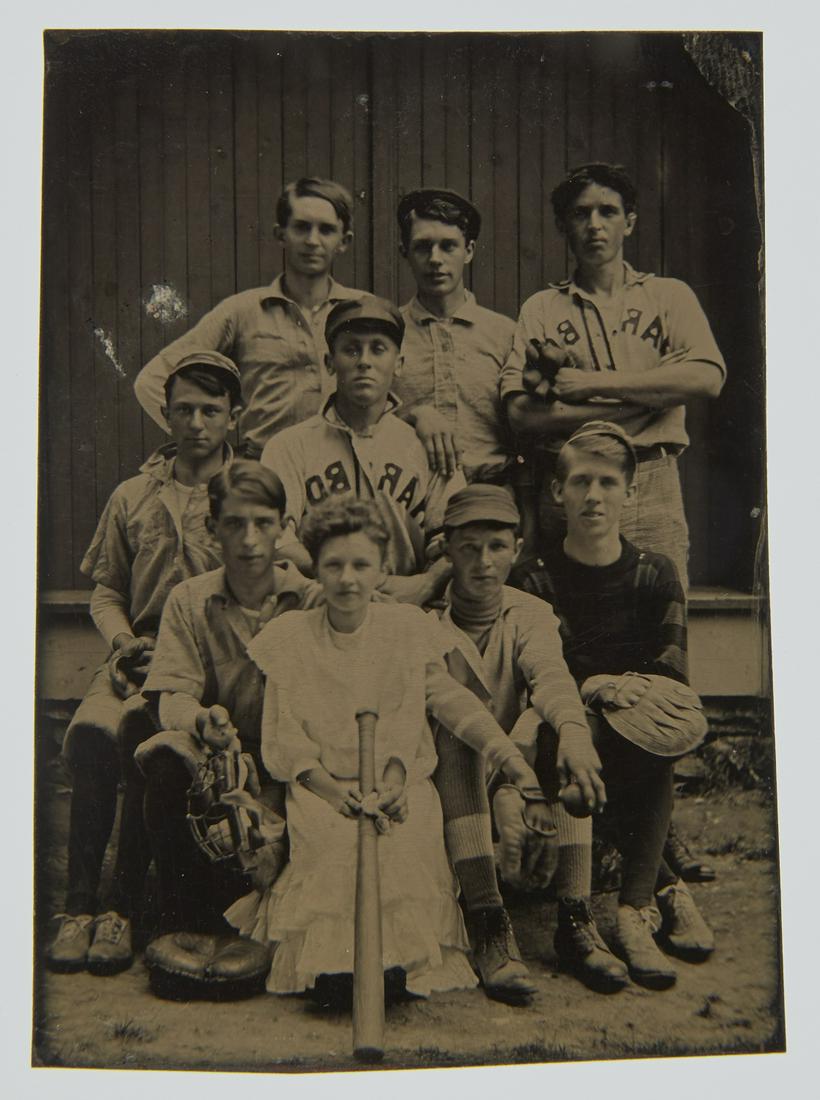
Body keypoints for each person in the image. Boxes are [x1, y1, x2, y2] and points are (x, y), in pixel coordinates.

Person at [225, 495, 555, 1001]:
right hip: (322, 789)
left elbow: (418, 718)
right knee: (337, 844)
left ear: (382, 569)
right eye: (334, 565)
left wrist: (398, 782)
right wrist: (332, 792)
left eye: (362, 565)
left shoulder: (405, 630)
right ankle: (335, 967)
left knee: (402, 844)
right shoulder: (290, 639)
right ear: (317, 567)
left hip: (401, 783)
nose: (348, 579)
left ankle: (397, 962)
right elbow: (285, 740)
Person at [46, 351, 243, 975]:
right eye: (183, 409)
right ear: (166, 413)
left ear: (233, 418)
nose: (196, 423)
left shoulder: (245, 494)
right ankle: (79, 906)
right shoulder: (134, 495)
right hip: (134, 652)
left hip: (200, 664)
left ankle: (122, 909)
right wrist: (122, 640)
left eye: (211, 410)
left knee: (142, 741)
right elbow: (106, 587)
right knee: (88, 737)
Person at [511, 422, 715, 989]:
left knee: (657, 734)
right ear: (558, 493)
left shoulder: (654, 571)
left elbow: (670, 675)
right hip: (565, 732)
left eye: (607, 482)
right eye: (580, 482)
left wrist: (617, 692)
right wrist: (598, 685)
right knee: (589, 739)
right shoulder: (534, 577)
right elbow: (538, 677)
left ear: (629, 491)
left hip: (634, 731)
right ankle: (663, 891)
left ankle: (632, 912)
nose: (593, 495)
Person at [434, 483, 630, 993]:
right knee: (454, 732)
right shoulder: (423, 618)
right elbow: (446, 706)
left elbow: (550, 676)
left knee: (565, 725)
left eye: (497, 546)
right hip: (441, 777)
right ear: (446, 549)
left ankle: (575, 915)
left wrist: (573, 735)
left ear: (516, 550)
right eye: (469, 547)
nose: (483, 562)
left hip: (511, 764)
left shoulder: (528, 612)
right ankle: (487, 919)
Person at [500, 162, 726, 586]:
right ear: (563, 224)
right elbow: (522, 415)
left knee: (659, 628)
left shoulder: (668, 296)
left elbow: (707, 378)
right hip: (569, 481)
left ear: (630, 222)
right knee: (566, 632)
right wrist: (644, 403)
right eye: (581, 213)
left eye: (608, 212)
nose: (594, 225)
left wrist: (591, 385)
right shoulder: (542, 308)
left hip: (649, 479)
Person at [133, 461, 322, 936]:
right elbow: (170, 696)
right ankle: (183, 923)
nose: (250, 539)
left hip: (300, 761)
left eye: (263, 523)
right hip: (225, 755)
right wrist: (202, 720)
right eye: (234, 524)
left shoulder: (314, 600)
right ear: (212, 528)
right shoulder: (189, 599)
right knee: (163, 758)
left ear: (284, 526)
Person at [134, 177, 362, 457]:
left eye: (326, 230)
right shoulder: (243, 311)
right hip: (266, 475)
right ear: (281, 234)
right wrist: (206, 441)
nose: (312, 241)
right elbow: (152, 380)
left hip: (346, 473)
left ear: (344, 241)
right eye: (301, 227)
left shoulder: (363, 309)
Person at [260, 295, 465, 605]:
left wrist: (427, 582)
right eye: (351, 349)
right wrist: (343, 578)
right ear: (330, 362)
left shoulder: (427, 445)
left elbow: (457, 537)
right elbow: (276, 538)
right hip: (316, 604)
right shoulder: (289, 446)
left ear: (398, 364)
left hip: (407, 607)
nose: (364, 361)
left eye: (378, 349)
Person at [393, 188, 516, 484]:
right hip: (410, 495)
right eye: (423, 247)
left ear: (469, 251)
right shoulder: (387, 332)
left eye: (448, 246)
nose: (435, 259)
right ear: (405, 251)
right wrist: (415, 416)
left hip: (490, 496)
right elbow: (362, 420)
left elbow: (522, 430)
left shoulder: (504, 334)